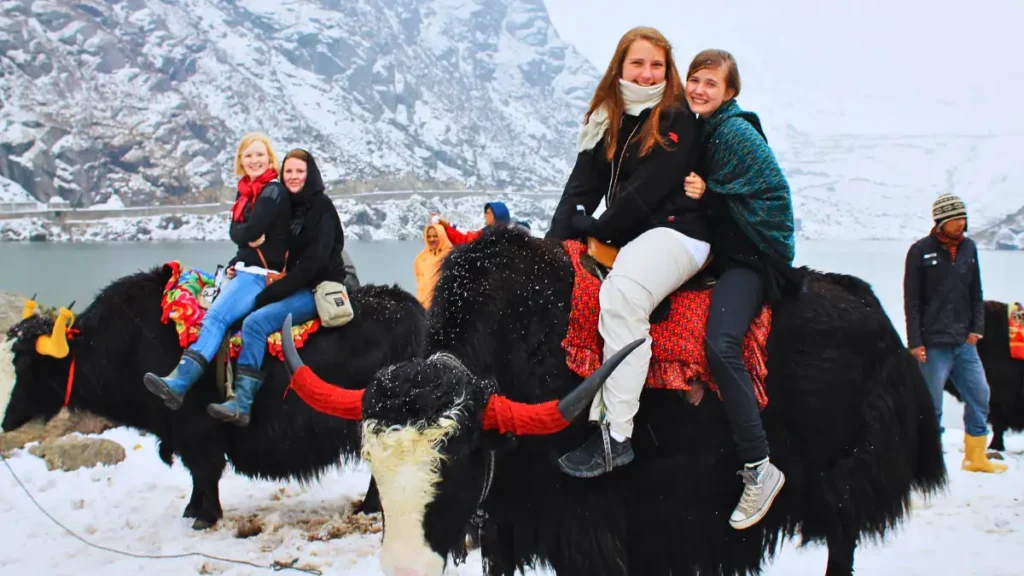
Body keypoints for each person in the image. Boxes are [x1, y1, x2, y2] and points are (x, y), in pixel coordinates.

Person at [545, 27, 710, 479]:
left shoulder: (676, 116)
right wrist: (550, 249)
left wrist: (596, 227)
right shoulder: (608, 117)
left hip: (677, 233)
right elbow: (581, 188)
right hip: (629, 233)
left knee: (622, 298)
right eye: (637, 63)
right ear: (620, 67)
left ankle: (615, 436)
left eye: (656, 65)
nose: (646, 74)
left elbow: (646, 193)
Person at [683, 49, 801, 529]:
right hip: (719, 254)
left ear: (729, 93)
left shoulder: (733, 133)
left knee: (721, 343)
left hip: (751, 259)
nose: (700, 90)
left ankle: (759, 466)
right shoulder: (702, 131)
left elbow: (772, 198)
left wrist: (710, 196)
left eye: (711, 83)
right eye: (694, 79)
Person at [144, 132, 292, 410]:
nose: (254, 160)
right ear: (240, 160)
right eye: (248, 155)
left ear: (270, 157)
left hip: (260, 275)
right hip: (246, 268)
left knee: (215, 318)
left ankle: (180, 382)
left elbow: (254, 230)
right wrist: (240, 248)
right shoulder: (246, 192)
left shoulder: (272, 191)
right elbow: (240, 233)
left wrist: (243, 235)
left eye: (260, 154)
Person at [206, 148, 348, 426]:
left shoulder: (321, 208)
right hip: (292, 284)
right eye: (289, 171)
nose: (294, 177)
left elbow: (314, 262)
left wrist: (270, 294)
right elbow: (265, 246)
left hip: (315, 288)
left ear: (311, 174)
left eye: (300, 171)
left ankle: (242, 403)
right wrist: (238, 261)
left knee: (256, 323)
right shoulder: (288, 207)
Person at [903, 193, 1006, 473]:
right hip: (932, 344)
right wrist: (915, 342)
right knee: (931, 407)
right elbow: (911, 300)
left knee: (980, 395)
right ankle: (928, 463)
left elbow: (976, 292)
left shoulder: (969, 249)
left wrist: (977, 329)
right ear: (941, 222)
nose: (961, 224)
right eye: (955, 219)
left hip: (964, 342)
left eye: (963, 218)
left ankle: (975, 457)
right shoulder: (920, 251)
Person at [414, 222, 454, 309]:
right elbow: (420, 281)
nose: (432, 239)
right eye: (428, 236)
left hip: (444, 308)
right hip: (424, 308)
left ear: (442, 236)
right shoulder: (420, 258)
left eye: (435, 236)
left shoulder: (450, 255)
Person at [436, 201, 511, 245]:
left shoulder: (485, 237)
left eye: (487, 213)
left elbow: (466, 241)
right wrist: (447, 225)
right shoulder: (484, 233)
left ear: (496, 215)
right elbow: (466, 238)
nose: (484, 215)